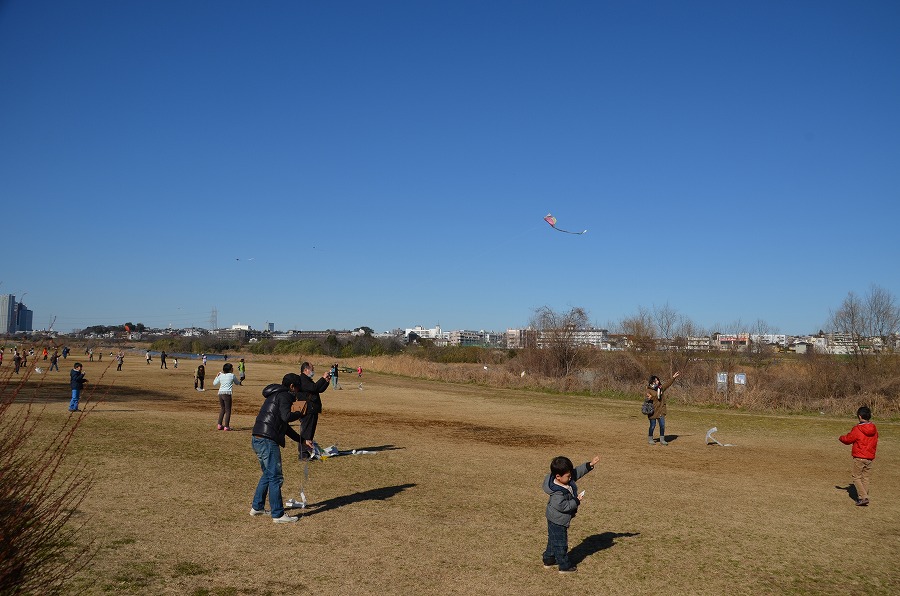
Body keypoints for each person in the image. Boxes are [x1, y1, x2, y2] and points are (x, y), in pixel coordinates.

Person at [250, 373, 306, 523]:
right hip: (267, 440)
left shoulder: (275, 395)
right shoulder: (285, 396)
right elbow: (286, 417)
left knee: (268, 474)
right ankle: (278, 515)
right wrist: (300, 412)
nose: (297, 392)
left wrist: (302, 440)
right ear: (292, 386)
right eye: (297, 388)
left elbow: (284, 425)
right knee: (275, 476)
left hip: (258, 437)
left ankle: (257, 507)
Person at [542, 454, 601, 574]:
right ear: (558, 476)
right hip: (558, 520)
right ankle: (564, 566)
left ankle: (548, 559)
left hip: (555, 518)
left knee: (553, 539)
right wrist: (577, 500)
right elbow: (565, 506)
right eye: (568, 476)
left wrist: (589, 465)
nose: (571, 478)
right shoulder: (557, 493)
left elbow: (576, 472)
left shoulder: (565, 478)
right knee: (560, 543)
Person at [839, 405, 879, 506]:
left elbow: (848, 439)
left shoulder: (857, 429)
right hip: (870, 457)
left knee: (856, 477)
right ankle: (863, 497)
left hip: (860, 457)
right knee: (865, 477)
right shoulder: (874, 429)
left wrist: (841, 438)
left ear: (860, 416)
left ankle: (863, 497)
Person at [296, 362, 330, 459]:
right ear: (306, 370)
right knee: (306, 432)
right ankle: (303, 453)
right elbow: (314, 387)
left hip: (311, 409)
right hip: (307, 409)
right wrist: (323, 378)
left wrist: (326, 381)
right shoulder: (302, 379)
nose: (313, 371)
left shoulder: (307, 379)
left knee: (310, 432)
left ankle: (308, 451)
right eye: (312, 369)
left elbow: (318, 390)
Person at [645, 371, 680, 445]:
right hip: (653, 411)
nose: (658, 381)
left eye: (658, 380)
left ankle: (662, 439)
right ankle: (650, 438)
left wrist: (673, 377)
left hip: (661, 410)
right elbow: (647, 399)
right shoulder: (648, 389)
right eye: (656, 380)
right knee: (652, 426)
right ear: (653, 382)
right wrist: (650, 397)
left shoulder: (661, 388)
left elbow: (667, 384)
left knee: (662, 425)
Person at [213, 363, 240, 430]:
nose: (233, 369)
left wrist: (217, 376)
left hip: (220, 393)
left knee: (222, 409)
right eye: (232, 367)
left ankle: (219, 425)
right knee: (228, 410)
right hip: (227, 393)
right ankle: (226, 426)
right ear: (230, 369)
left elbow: (214, 383)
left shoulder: (221, 375)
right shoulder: (232, 375)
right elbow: (237, 383)